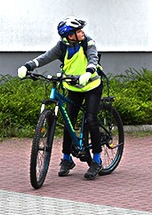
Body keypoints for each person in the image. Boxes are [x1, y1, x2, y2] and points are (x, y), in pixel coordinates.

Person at [17, 16, 104, 180]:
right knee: (68, 120)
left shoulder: (88, 42)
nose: (82, 32)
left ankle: (97, 160)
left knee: (91, 119)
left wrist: (88, 72)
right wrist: (28, 66)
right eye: (78, 31)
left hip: (91, 85)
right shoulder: (62, 46)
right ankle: (66, 158)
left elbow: (93, 57)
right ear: (70, 36)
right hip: (73, 87)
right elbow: (45, 57)